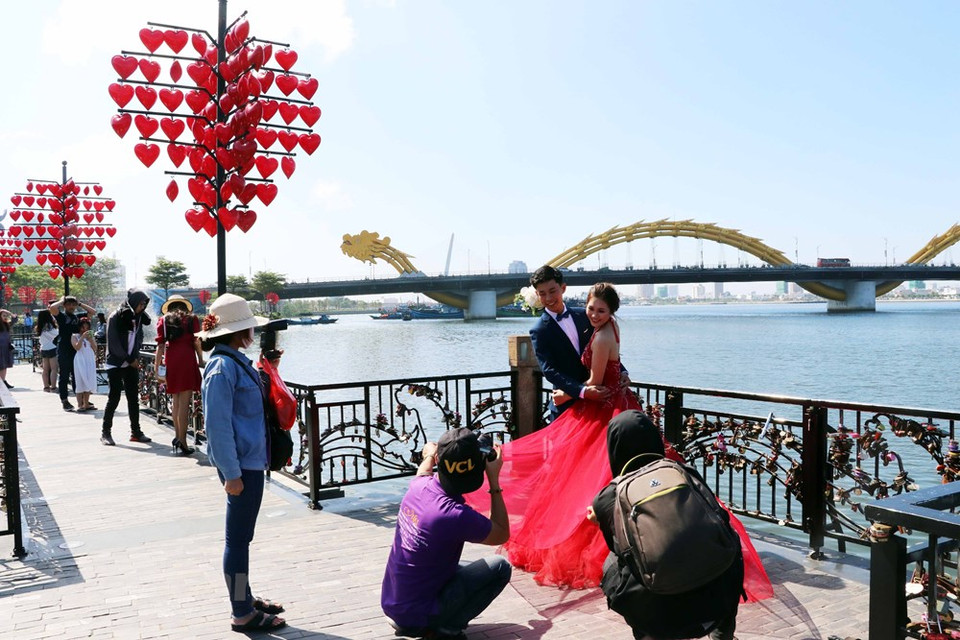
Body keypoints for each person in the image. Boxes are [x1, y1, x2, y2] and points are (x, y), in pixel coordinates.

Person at [466, 282, 773, 597]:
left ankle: (597, 547)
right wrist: (598, 382)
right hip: (616, 404)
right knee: (600, 474)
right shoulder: (595, 328)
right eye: (592, 308)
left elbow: (597, 382)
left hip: (602, 412)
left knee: (590, 477)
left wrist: (571, 394)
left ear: (610, 311)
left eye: (601, 310)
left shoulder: (599, 333)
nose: (594, 314)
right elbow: (567, 370)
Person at [589, 411, 743, 640]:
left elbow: (620, 549)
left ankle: (645, 634)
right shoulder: (683, 472)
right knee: (730, 542)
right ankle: (723, 635)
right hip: (717, 603)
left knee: (613, 563)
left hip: (660, 619)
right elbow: (720, 517)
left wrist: (598, 518)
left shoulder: (607, 497)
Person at [198, 293, 286, 633]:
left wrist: (271, 368)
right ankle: (241, 610)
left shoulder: (234, 362)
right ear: (239, 333)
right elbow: (216, 427)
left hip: (249, 462)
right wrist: (232, 474)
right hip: (242, 467)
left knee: (241, 539)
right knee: (236, 541)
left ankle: (244, 598)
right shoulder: (222, 368)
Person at [382, 428, 511, 640]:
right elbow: (501, 533)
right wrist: (494, 481)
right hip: (416, 616)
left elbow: (423, 471)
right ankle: (447, 629)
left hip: (394, 603)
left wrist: (430, 456)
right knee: (499, 567)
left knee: (459, 566)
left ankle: (430, 620)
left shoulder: (419, 486)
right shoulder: (454, 514)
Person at [528, 265, 616, 420]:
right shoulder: (539, 330)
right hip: (566, 406)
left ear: (563, 288)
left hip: (598, 400)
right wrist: (581, 390)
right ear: (537, 294)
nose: (548, 298)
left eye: (552, 291)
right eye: (542, 293)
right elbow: (549, 370)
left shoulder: (585, 315)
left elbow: (605, 347)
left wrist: (621, 371)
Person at [100, 289, 152, 446]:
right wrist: (129, 359)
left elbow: (139, 336)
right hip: (116, 363)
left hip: (131, 362)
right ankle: (105, 432)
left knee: (133, 398)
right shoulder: (116, 316)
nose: (143, 307)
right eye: (141, 304)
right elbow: (114, 343)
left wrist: (135, 355)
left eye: (145, 304)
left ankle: (135, 432)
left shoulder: (138, 317)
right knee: (114, 398)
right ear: (134, 302)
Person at [155, 294, 203, 455]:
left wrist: (156, 368)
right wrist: (201, 359)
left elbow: (160, 346)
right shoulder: (191, 319)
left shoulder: (164, 320)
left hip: (171, 360)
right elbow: (197, 341)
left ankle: (177, 437)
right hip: (187, 360)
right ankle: (182, 440)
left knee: (176, 402)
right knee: (184, 404)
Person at [49, 296, 96, 411]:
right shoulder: (61, 316)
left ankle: (81, 401)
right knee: (64, 376)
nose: (71, 307)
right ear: (64, 305)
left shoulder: (78, 317)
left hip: (77, 350)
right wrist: (62, 300)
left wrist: (79, 303)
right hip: (64, 349)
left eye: (73, 304)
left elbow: (93, 312)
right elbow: (52, 308)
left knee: (78, 375)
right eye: (69, 304)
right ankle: (64, 400)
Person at [71, 317, 98, 411]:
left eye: (87, 328)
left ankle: (86, 404)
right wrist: (82, 338)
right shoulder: (75, 336)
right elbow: (77, 347)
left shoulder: (90, 337)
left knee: (89, 380)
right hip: (80, 360)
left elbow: (95, 348)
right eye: (83, 328)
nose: (85, 330)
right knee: (80, 381)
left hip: (89, 360)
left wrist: (90, 339)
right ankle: (80, 404)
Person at [35, 310, 59, 392]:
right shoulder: (49, 326)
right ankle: (53, 387)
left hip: (43, 348)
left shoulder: (39, 327)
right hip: (52, 348)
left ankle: (46, 387)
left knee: (45, 369)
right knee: (54, 369)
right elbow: (56, 333)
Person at [0, 310, 15, 389]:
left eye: (6, 316)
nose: (5, 317)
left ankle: (3, 381)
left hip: (5, 347)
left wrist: (9, 313)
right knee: (1, 365)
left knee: (4, 365)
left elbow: (14, 319)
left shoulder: (6, 324)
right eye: (3, 315)